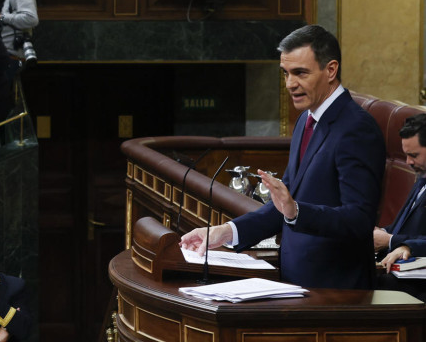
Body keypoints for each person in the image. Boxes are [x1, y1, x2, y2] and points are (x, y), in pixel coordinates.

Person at [180, 25, 385, 289]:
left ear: (331, 70)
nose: (290, 84)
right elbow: (283, 207)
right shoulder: (305, 121)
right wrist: (226, 232)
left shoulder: (357, 128)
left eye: (300, 73)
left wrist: (297, 211)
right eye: (286, 73)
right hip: (298, 283)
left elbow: (359, 220)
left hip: (336, 291)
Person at [374, 114, 426, 300]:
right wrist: (380, 234)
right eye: (405, 155)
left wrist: (396, 243)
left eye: (413, 155)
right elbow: (402, 227)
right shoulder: (422, 178)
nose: (408, 162)